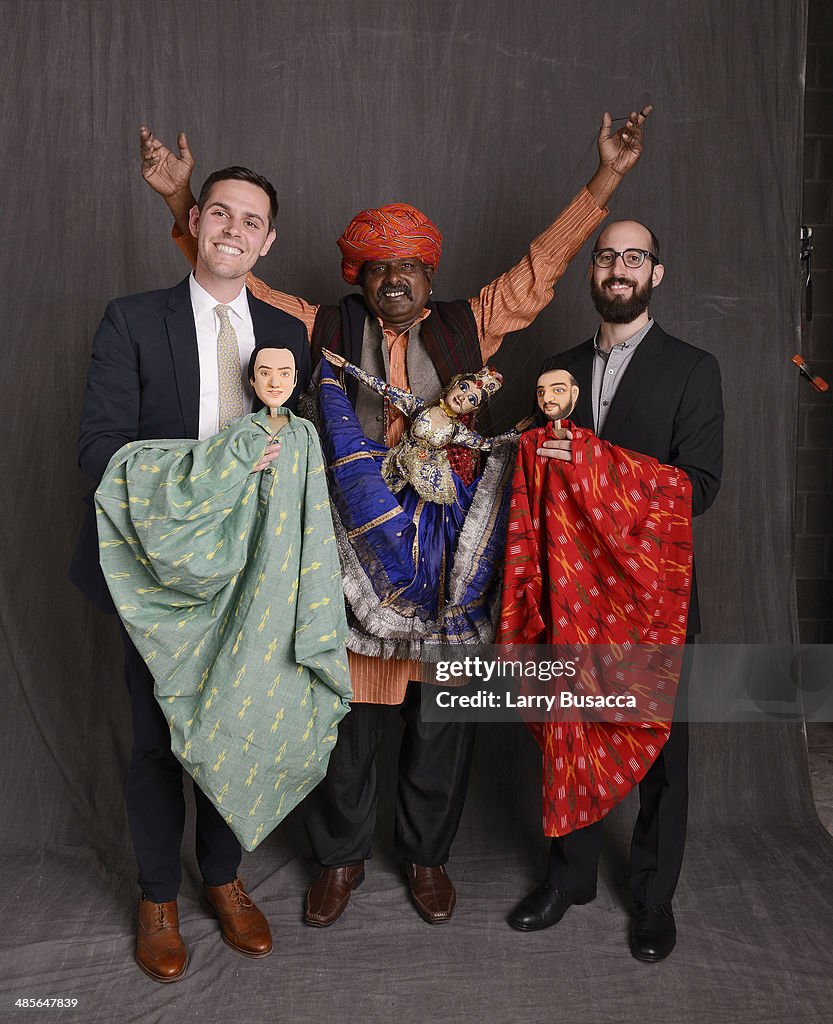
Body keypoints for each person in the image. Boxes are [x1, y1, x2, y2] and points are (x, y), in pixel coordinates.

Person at [138, 106, 651, 927]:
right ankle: (339, 863)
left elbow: (541, 268)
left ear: (428, 273)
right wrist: (181, 204)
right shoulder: (326, 326)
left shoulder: (468, 324)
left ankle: (425, 859)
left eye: (410, 266)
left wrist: (607, 179)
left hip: (456, 550)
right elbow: (239, 278)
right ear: (359, 276)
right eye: (379, 268)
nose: (396, 280)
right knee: (348, 719)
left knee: (443, 720)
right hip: (352, 547)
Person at [71, 167, 311, 982]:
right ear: (196, 223)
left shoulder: (288, 331)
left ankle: (220, 878)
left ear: (267, 240)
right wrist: (219, 470)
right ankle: (155, 897)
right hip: (155, 573)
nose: (234, 231)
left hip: (251, 574)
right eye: (221, 214)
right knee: (153, 738)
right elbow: (99, 450)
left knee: (231, 725)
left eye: (252, 221)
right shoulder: (133, 321)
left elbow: (297, 450)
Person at [506, 220, 724, 962]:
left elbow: (697, 488)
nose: (619, 267)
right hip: (572, 600)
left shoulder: (692, 369)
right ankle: (566, 879)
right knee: (569, 734)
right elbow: (535, 481)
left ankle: (653, 898)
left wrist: (596, 464)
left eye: (634, 257)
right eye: (607, 256)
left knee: (662, 756)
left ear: (655, 273)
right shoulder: (555, 368)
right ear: (592, 272)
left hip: (654, 601)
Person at [94, 344, 352, 854]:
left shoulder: (305, 436)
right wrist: (237, 468)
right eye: (264, 372)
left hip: (285, 589)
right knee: (202, 716)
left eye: (284, 372)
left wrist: (314, 589)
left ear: (296, 378)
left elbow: (316, 514)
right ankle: (161, 892)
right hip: (232, 582)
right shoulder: (240, 435)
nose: (275, 381)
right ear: (250, 381)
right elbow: (193, 483)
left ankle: (223, 876)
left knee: (264, 694)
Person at [318, 350, 522, 651]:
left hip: (432, 490)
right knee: (377, 516)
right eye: (464, 388)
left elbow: (487, 445)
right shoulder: (418, 407)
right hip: (397, 473)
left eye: (472, 400)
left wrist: (518, 433)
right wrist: (346, 366)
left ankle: (410, 607)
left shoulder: (456, 430)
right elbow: (381, 387)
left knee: (425, 549)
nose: (464, 397)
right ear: (453, 384)